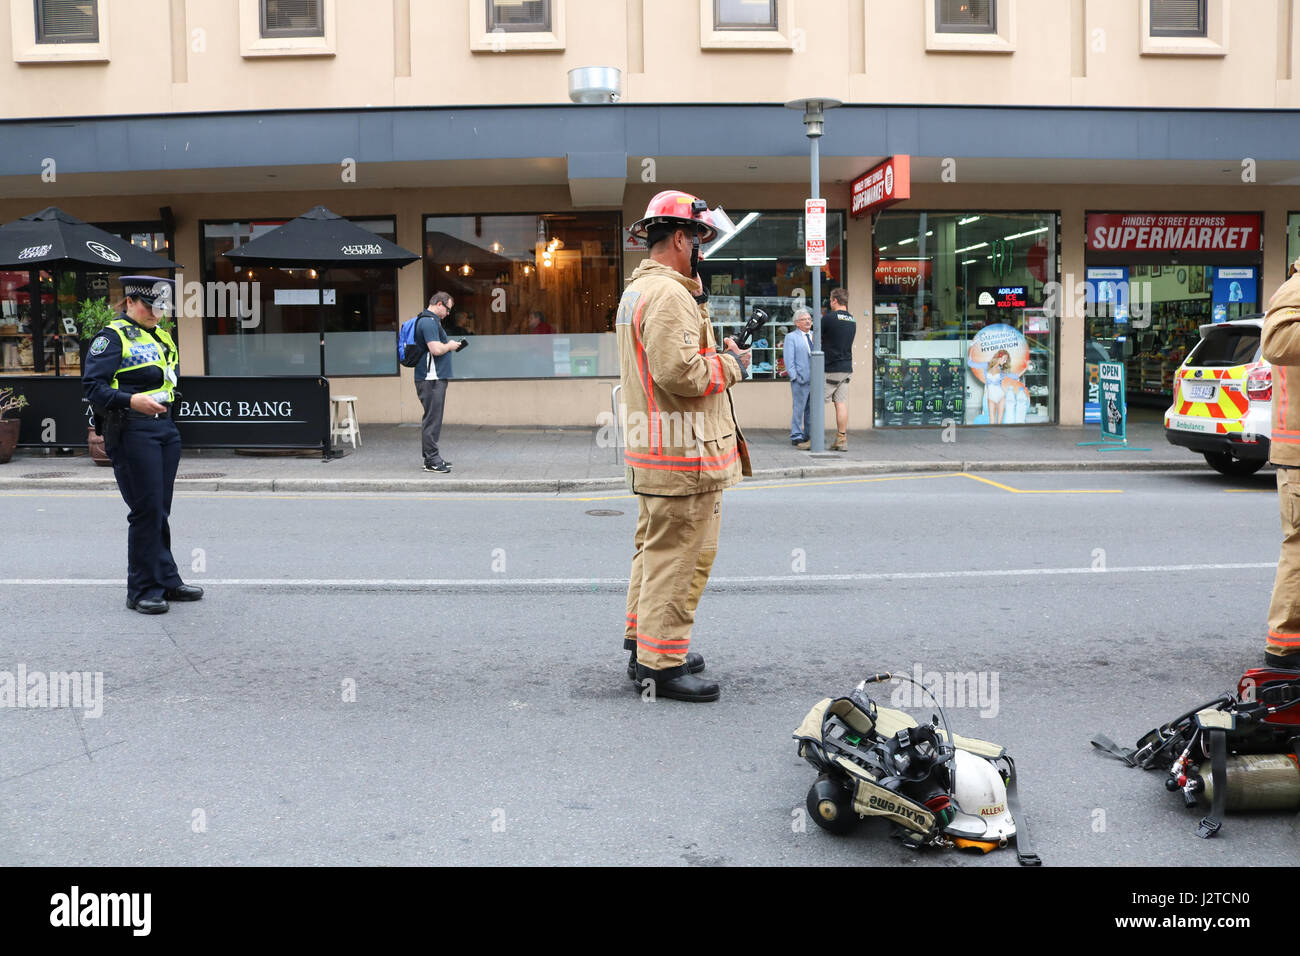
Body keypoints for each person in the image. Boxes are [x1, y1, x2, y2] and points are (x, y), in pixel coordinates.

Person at [618, 189, 751, 702]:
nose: (702, 249)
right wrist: (731, 364)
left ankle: (643, 644)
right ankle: (661, 665)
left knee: (654, 554)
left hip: (656, 449)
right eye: (699, 239)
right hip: (683, 457)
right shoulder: (671, 294)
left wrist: (712, 352)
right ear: (680, 238)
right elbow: (679, 372)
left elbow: (666, 362)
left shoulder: (641, 291)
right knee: (682, 557)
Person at [83, 276, 202, 615]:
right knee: (145, 511)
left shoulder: (161, 335)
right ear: (131, 302)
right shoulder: (111, 337)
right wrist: (131, 401)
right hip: (132, 429)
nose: (155, 313)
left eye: (160, 307)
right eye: (149, 306)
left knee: (158, 509)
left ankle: (166, 579)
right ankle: (141, 590)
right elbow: (93, 388)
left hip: (163, 429)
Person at [1260, 257, 1300, 668]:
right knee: (1299, 549)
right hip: (1298, 455)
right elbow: (1275, 344)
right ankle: (1285, 645)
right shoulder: (1295, 290)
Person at [413, 292, 466, 473]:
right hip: (431, 378)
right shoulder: (428, 322)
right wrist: (450, 345)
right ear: (440, 304)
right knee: (432, 419)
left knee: (432, 418)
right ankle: (432, 460)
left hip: (432, 378)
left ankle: (431, 457)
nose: (448, 313)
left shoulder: (430, 321)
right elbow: (435, 349)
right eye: (448, 309)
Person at [802, 287, 855, 451]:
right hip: (846, 368)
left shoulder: (829, 318)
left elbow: (814, 336)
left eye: (831, 299)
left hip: (830, 368)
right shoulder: (852, 320)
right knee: (840, 403)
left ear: (834, 300)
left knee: (815, 402)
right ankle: (841, 439)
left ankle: (814, 439)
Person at [784, 309, 813, 445]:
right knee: (798, 408)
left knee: (811, 409)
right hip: (800, 379)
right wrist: (794, 376)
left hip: (815, 379)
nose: (808, 321)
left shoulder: (814, 336)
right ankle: (796, 434)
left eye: (809, 319)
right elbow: (789, 359)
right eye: (804, 319)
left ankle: (809, 434)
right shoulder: (791, 337)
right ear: (797, 323)